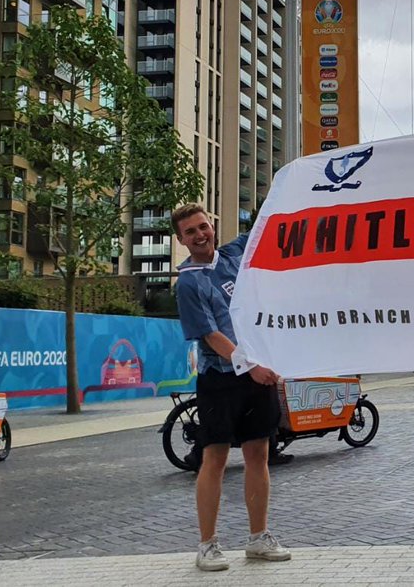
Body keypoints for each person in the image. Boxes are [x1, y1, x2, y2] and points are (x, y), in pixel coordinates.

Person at [173, 203, 292, 572]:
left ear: (213, 226)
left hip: (258, 377)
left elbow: (268, 223)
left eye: (203, 227)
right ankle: (207, 545)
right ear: (181, 240)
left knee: (259, 454)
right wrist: (251, 365)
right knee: (216, 458)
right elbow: (210, 336)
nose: (199, 235)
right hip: (221, 380)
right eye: (190, 232)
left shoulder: (234, 254)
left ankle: (258, 538)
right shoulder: (189, 282)